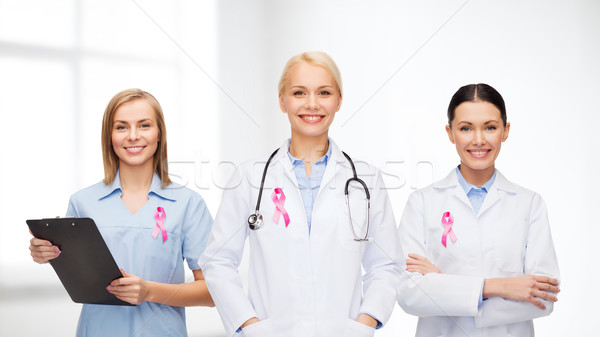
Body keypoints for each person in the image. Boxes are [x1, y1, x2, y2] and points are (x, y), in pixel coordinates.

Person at [199, 51, 402, 337]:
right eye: (299, 93)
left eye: (324, 92)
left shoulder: (366, 180)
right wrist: (249, 325)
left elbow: (387, 265)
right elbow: (217, 261)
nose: (312, 104)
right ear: (282, 100)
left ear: (339, 100)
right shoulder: (250, 177)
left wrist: (364, 324)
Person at [29, 88, 214, 337]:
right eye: (122, 127)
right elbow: (75, 272)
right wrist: (45, 253)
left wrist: (149, 291)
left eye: (144, 125)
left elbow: (212, 292)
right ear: (109, 136)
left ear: (159, 134)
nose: (133, 136)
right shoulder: (83, 202)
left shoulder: (188, 204)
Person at [395, 83, 560, 337]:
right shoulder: (422, 202)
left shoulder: (529, 204)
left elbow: (543, 298)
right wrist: (499, 287)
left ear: (505, 131)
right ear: (450, 133)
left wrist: (442, 286)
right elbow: (408, 293)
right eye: (465, 128)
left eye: (490, 127)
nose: (479, 140)